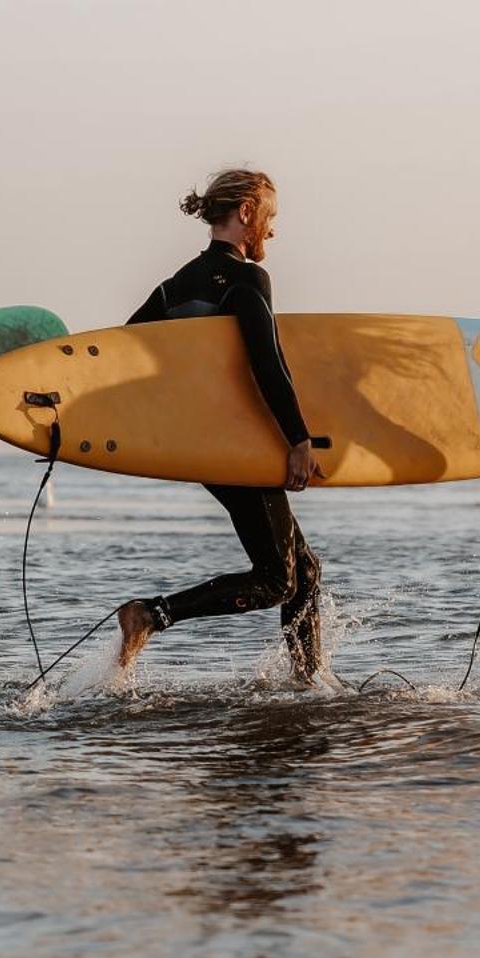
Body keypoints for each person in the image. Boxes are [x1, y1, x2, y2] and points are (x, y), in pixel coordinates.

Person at [114, 168, 326, 683]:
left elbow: (125, 351)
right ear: (248, 212)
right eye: (269, 217)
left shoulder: (173, 287)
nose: (271, 232)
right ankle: (151, 614)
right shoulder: (246, 278)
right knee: (278, 578)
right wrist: (299, 439)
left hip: (203, 447)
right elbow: (267, 363)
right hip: (240, 444)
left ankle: (308, 682)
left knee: (305, 571)